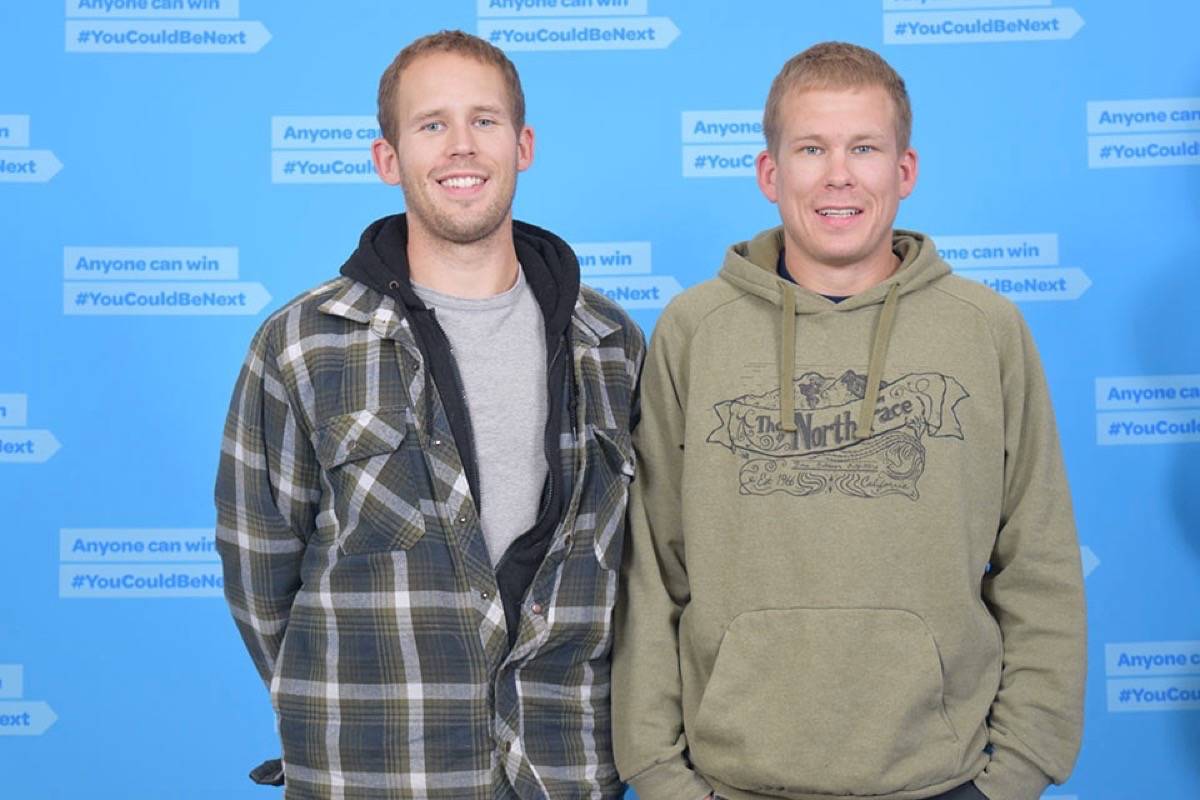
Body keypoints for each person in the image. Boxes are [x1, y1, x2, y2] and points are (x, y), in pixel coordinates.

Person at [612, 41, 1085, 800]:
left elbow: (1041, 561)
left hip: (943, 779)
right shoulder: (695, 329)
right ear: (771, 174)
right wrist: (658, 773)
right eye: (812, 148)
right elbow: (650, 567)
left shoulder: (985, 329)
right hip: (730, 779)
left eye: (864, 147)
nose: (839, 174)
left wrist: (1019, 770)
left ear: (905, 170)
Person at [215, 30, 642, 800]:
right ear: (389, 159)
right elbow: (259, 569)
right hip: (373, 775)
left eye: (484, 120)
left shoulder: (609, 343)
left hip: (565, 774)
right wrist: (349, 707)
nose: (461, 146)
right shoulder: (304, 343)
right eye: (432, 124)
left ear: (523, 145)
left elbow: (638, 571)